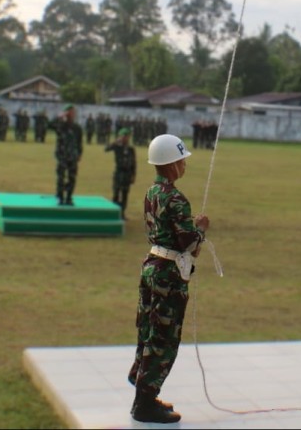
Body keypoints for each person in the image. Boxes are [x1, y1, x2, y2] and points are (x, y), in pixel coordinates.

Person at [127, 133, 209, 424]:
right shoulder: (176, 198)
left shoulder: (152, 192)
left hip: (152, 266)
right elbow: (189, 243)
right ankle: (145, 402)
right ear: (172, 164)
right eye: (181, 160)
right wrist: (201, 228)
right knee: (163, 338)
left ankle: (142, 384)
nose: (184, 165)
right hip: (168, 275)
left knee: (148, 330)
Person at [48, 104, 83, 205]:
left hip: (73, 156)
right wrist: (59, 116)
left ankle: (69, 197)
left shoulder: (77, 128)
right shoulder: (60, 126)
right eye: (70, 112)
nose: (72, 114)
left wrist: (80, 154)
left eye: (73, 112)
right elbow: (49, 125)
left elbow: (79, 142)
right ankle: (60, 197)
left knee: (72, 178)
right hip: (62, 156)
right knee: (61, 177)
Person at [105, 127, 137, 217]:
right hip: (119, 173)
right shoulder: (117, 147)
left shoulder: (131, 149)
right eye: (122, 136)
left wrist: (133, 175)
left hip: (127, 174)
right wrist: (115, 142)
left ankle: (122, 214)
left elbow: (134, 163)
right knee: (116, 193)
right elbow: (106, 149)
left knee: (125, 194)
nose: (124, 138)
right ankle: (114, 213)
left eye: (126, 136)